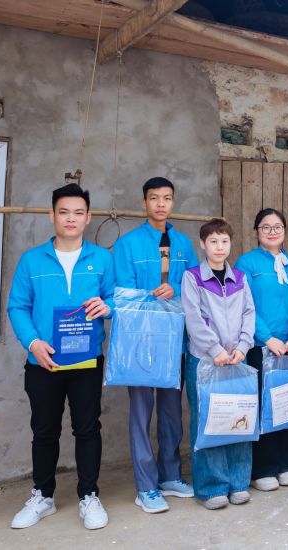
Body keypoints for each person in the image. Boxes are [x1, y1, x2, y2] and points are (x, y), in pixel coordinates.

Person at [7, 183, 114, 530]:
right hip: (43, 362)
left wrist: (107, 306)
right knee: (44, 431)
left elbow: (114, 298)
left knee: (87, 429)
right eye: (64, 212)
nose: (71, 218)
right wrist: (32, 342)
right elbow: (17, 306)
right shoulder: (32, 260)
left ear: (88, 217)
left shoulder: (101, 258)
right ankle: (43, 496)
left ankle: (88, 496)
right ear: (52, 215)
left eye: (78, 212)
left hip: (85, 362)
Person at [112, 177, 198, 513]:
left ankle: (170, 475)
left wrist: (174, 286)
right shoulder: (127, 244)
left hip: (174, 341)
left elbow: (193, 283)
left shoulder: (184, 243)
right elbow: (122, 291)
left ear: (173, 202)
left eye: (166, 198)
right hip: (139, 342)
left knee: (171, 412)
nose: (160, 204)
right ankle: (145, 486)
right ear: (144, 202)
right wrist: (151, 296)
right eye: (153, 198)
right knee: (141, 413)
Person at [181, 219, 256, 510]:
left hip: (237, 358)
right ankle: (211, 487)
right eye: (213, 241)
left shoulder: (239, 277)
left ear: (230, 244)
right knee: (208, 422)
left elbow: (249, 312)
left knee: (239, 420)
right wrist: (214, 349)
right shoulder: (192, 278)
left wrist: (243, 346)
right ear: (203, 244)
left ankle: (238, 482)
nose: (219, 247)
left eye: (224, 241)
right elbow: (193, 317)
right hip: (205, 361)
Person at [236, 208, 288, 492]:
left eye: (277, 227)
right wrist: (266, 338)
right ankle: (262, 468)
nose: (272, 231)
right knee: (264, 406)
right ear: (256, 231)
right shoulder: (247, 263)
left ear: (285, 231)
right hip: (261, 347)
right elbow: (245, 305)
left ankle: (286, 464)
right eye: (266, 227)